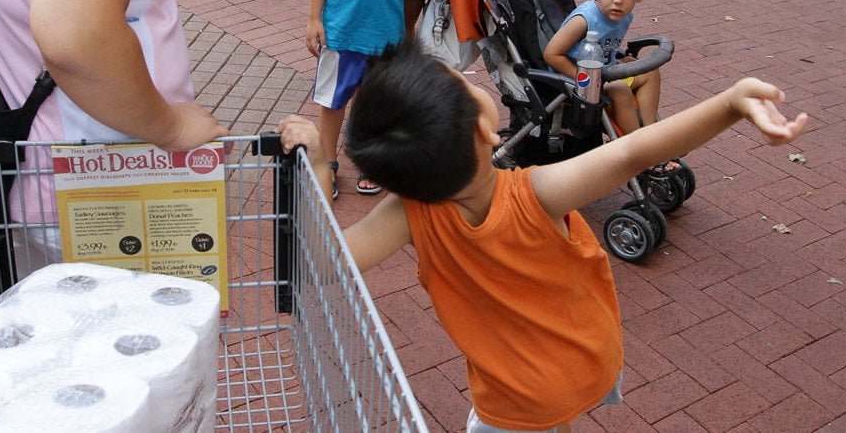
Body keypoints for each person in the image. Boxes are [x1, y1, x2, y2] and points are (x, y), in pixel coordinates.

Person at [280, 40, 809, 431]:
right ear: (485, 132)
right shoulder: (535, 193)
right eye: (465, 83)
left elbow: (324, 262)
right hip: (580, 364)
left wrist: (317, 159)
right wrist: (730, 103)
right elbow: (630, 152)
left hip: (511, 394)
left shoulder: (407, 212)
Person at [0, 0, 230, 275]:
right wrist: (172, 128)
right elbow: (76, 37)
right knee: (151, 319)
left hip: (34, 151)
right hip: (110, 167)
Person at [300, 0, 451, 198]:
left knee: (376, 102)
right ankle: (326, 165)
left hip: (386, 35)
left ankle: (369, 160)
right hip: (342, 33)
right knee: (333, 102)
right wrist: (314, 19)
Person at [543, 0, 673, 171]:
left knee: (649, 71)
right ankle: (639, 150)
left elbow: (607, 48)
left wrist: (619, 62)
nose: (618, 0)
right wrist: (584, 78)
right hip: (577, 83)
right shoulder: (585, 19)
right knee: (621, 90)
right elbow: (552, 54)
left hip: (605, 72)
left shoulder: (625, 15)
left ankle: (651, 133)